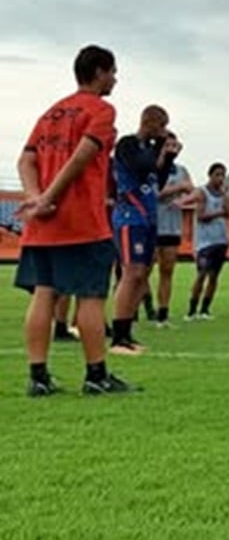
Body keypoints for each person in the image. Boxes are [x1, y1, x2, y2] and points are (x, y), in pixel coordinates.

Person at [13, 44, 135, 395]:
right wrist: (49, 198)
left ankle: (38, 377)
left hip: (42, 225)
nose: (115, 79)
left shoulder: (51, 112)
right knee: (91, 296)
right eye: (112, 71)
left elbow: (25, 160)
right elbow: (83, 157)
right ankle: (96, 375)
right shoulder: (101, 110)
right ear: (98, 72)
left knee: (43, 294)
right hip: (81, 221)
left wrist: (35, 198)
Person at [111, 105, 176, 355]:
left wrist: (168, 156)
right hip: (130, 216)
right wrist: (161, 147)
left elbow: (155, 180)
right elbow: (142, 167)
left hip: (148, 218)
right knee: (132, 272)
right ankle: (117, 337)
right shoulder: (128, 144)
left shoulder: (149, 149)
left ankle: (127, 333)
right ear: (149, 122)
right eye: (161, 126)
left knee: (142, 274)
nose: (163, 132)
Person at [151, 140, 193, 327]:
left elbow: (190, 190)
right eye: (168, 146)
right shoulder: (152, 168)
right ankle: (133, 311)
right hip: (151, 225)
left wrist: (184, 200)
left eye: (174, 146)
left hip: (172, 226)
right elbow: (154, 193)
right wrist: (177, 189)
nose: (172, 150)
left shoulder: (181, 170)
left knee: (167, 271)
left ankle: (163, 313)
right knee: (140, 272)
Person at [185, 163, 229, 320]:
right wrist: (220, 212)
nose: (220, 178)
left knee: (214, 276)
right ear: (210, 175)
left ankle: (205, 309)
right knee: (202, 274)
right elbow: (201, 216)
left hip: (221, 239)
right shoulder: (202, 192)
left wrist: (226, 197)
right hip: (205, 242)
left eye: (222, 175)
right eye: (217, 175)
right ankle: (192, 310)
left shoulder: (224, 193)